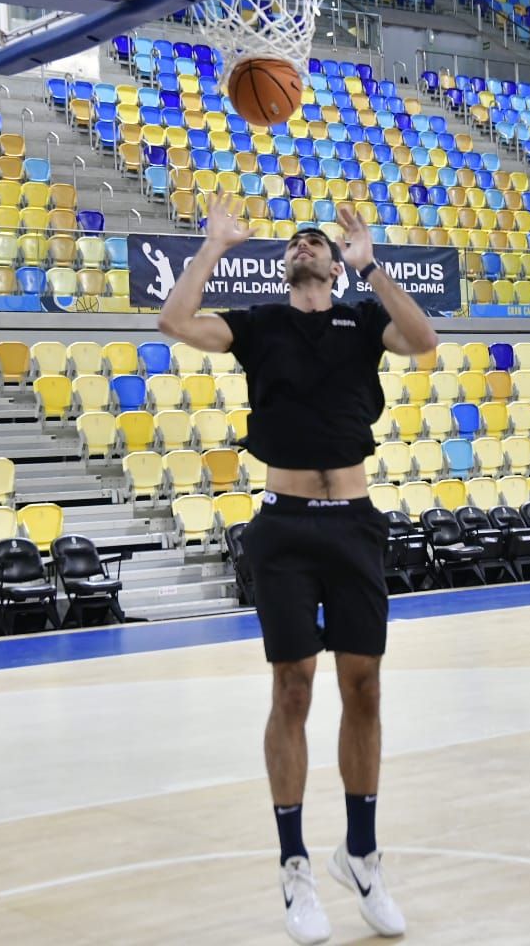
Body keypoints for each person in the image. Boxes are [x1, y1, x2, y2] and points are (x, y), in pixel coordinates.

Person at [156, 193, 437, 945]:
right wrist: (213, 246)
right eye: (295, 244)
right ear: (286, 266)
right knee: (292, 686)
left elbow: (424, 337)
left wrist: (372, 265)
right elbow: (175, 322)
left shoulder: (360, 322)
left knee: (365, 687)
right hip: (282, 526)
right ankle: (293, 869)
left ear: (335, 262)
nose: (304, 246)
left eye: (316, 241)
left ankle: (363, 853)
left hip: (353, 523)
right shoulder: (259, 323)